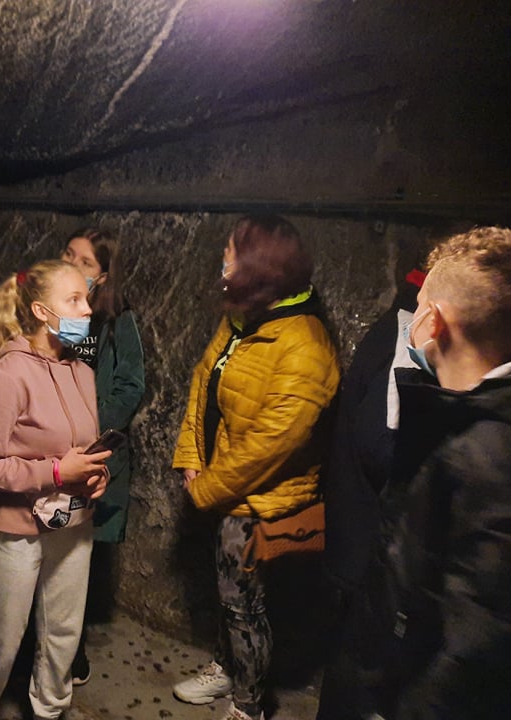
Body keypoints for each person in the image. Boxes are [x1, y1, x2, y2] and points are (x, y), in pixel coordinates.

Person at [171, 216, 340, 720]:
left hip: (259, 501)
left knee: (244, 606)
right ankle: (227, 668)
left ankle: (249, 706)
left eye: (230, 253)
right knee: (230, 599)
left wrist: (207, 488)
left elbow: (271, 445)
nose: (222, 261)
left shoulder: (305, 345)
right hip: (225, 485)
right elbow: (204, 382)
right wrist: (191, 456)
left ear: (257, 265)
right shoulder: (243, 315)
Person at [0, 259, 111, 720]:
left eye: (87, 298)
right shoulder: (9, 374)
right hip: (19, 530)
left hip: (75, 523)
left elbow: (84, 449)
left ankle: (50, 710)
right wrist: (56, 472)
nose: (87, 310)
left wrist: (95, 475)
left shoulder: (82, 372)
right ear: (42, 312)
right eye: (74, 300)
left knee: (64, 633)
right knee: (1, 641)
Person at [375, 227, 511, 718]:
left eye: (418, 306)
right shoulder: (466, 418)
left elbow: (478, 637)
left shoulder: (487, 452)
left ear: (432, 321)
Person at [315, 262, 427, 719]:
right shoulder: (407, 338)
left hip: (363, 544)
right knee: (356, 679)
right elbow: (379, 446)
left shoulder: (400, 327)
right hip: (369, 547)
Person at [59, 228, 145, 684]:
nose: (73, 264)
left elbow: (131, 384)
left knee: (80, 558)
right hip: (51, 451)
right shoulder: (49, 311)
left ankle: (72, 653)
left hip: (91, 454)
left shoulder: (116, 321)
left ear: (104, 275)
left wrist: (89, 427)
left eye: (85, 262)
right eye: (68, 254)